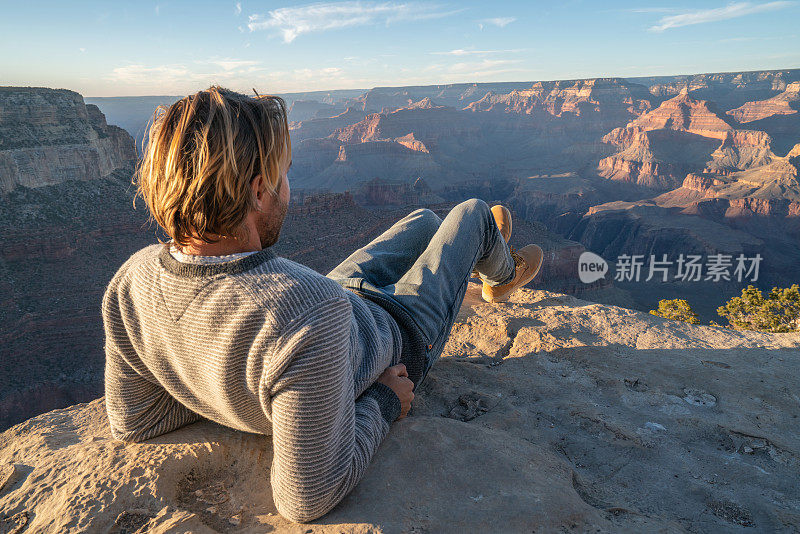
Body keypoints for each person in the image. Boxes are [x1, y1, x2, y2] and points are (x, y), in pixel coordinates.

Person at [103, 86, 543, 523]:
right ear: (258, 192)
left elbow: (135, 420)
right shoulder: (306, 312)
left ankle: (478, 249)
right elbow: (306, 497)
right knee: (473, 212)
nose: (289, 187)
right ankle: (501, 273)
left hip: (338, 302)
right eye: (284, 174)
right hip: (401, 330)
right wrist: (384, 401)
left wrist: (213, 383)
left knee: (424, 221)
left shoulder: (130, 280)